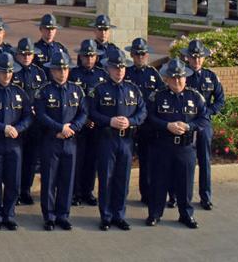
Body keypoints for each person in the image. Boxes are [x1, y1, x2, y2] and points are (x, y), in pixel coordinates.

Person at [145, 58, 207, 229]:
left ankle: (186, 215)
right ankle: (154, 214)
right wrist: (167, 125)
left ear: (185, 78)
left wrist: (189, 126)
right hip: (163, 146)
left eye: (180, 77)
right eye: (173, 78)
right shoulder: (157, 96)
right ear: (167, 78)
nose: (177, 81)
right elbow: (149, 117)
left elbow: (204, 119)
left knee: (185, 184)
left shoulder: (195, 96)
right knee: (159, 182)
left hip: (186, 148)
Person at [88, 48, 146, 231]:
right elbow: (91, 112)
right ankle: (106, 216)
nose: (119, 71)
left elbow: (142, 112)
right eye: (115, 68)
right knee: (106, 178)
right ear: (108, 69)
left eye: (122, 67)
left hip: (127, 141)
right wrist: (109, 121)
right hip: (107, 140)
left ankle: (119, 215)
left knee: (123, 179)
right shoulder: (99, 90)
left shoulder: (133, 89)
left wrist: (130, 121)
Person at [34, 49, 86, 231]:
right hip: (51, 141)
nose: (62, 72)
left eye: (65, 69)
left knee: (67, 180)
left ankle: (63, 215)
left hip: (70, 142)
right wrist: (59, 128)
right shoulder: (44, 91)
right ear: (52, 71)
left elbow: (83, 113)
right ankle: (49, 216)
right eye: (58, 69)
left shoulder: (76, 90)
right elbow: (41, 115)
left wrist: (72, 128)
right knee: (49, 180)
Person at [0, 53, 33, 231]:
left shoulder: (20, 93)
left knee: (13, 181)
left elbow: (28, 117)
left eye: (9, 72)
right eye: (3, 72)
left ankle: (9, 215)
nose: (7, 75)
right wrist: (2, 127)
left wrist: (18, 129)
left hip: (14, 144)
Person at [182, 39, 224, 211]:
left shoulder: (210, 76)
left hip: (204, 124)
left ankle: (205, 197)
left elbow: (220, 100)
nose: (197, 61)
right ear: (188, 58)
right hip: (187, 123)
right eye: (193, 57)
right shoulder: (182, 76)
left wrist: (208, 112)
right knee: (184, 162)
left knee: (204, 161)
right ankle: (178, 196)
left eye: (199, 57)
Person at [69, 38, 107, 206]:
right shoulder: (73, 74)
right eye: (86, 56)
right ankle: (75, 192)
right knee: (78, 159)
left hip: (96, 125)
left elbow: (103, 101)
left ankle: (88, 191)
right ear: (81, 57)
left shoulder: (102, 75)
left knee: (92, 160)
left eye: (92, 56)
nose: (89, 59)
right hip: (78, 125)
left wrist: (94, 119)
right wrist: (83, 120)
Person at [125, 38, 162, 206]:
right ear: (132, 55)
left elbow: (161, 97)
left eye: (143, 54)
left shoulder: (154, 74)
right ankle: (121, 194)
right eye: (137, 54)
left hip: (147, 126)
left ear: (147, 55)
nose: (140, 57)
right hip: (129, 125)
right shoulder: (126, 73)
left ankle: (146, 194)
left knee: (147, 162)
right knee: (125, 161)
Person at [12, 38, 47, 205]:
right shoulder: (13, 72)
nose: (26, 56)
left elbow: (44, 96)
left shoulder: (39, 73)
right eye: (23, 53)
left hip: (35, 124)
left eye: (29, 54)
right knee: (16, 159)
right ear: (17, 54)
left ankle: (25, 190)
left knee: (31, 159)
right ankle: (15, 191)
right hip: (17, 123)